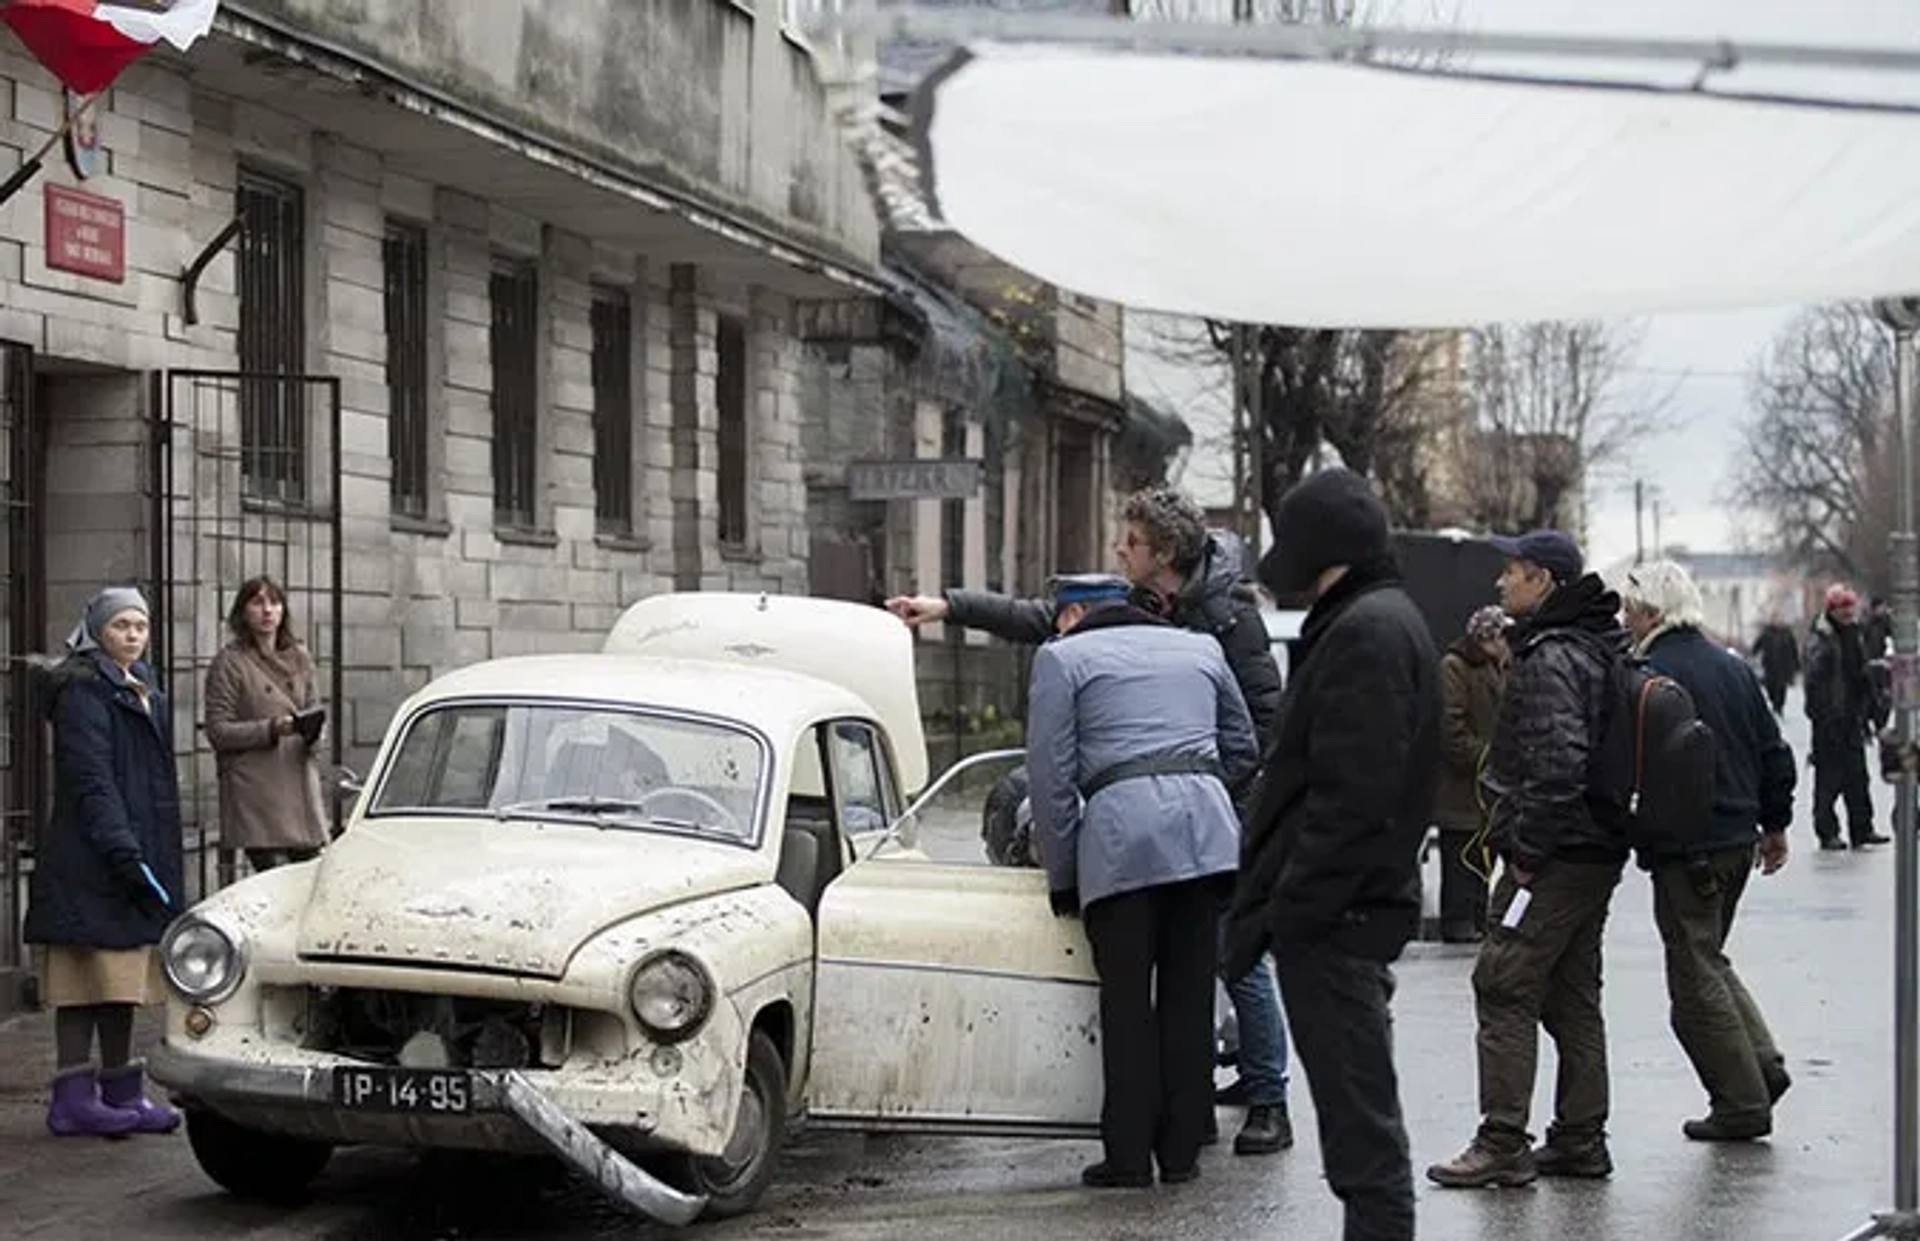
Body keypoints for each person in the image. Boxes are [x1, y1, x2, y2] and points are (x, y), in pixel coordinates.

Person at [888, 485, 1295, 1155]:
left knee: (1237, 954)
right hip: (1174, 809)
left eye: (1129, 542)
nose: (1117, 550)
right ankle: (1193, 1111)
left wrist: (1199, 788)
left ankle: (1268, 1096)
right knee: (1192, 970)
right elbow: (1047, 616)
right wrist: (949, 605)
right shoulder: (1138, 604)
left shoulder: (1225, 617)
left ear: (1161, 553)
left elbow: (1259, 724)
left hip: (1222, 809)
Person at [1227, 468, 1440, 1241]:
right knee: (1362, 1140)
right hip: (1342, 917)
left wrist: (1296, 910)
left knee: (1365, 1149)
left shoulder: (1368, 631)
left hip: (1338, 925)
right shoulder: (1373, 621)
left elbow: (1352, 797)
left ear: (1326, 549)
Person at [1026, 572, 1260, 1189]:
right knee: (1189, 998)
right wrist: (1201, 790)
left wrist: (1063, 875)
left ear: (1074, 614)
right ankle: (1182, 1151)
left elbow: (1050, 781)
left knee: (1127, 1005)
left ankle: (1128, 1155)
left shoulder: (1061, 659)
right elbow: (1243, 748)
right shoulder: (1202, 649)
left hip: (1119, 843)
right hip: (1206, 841)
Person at [1428, 529, 1630, 1189]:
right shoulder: (1599, 644)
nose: (1500, 582)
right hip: (1594, 848)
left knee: (1504, 980)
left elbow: (1557, 761)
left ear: (1543, 579)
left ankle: (1503, 1141)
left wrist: (1527, 855)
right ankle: (1579, 1136)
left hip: (1554, 855)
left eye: (1512, 571)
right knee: (1573, 994)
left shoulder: (1550, 656)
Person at [1620, 560, 1796, 1141]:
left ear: (1651, 613)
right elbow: (1774, 750)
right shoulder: (1732, 667)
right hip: (1736, 839)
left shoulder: (1650, 673)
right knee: (1709, 959)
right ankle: (1761, 1066)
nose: (1624, 617)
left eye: (1629, 608)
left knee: (1693, 982)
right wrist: (1775, 823)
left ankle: (1741, 1102)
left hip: (1687, 847)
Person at [22, 586, 184, 1137]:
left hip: (135, 855)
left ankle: (123, 1091)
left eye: (140, 627)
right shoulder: (83, 691)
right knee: (84, 981)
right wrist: (123, 850)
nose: (133, 636)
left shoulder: (144, 687)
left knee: (124, 980)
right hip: (94, 860)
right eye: (122, 627)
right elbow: (92, 781)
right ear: (97, 631)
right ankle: (71, 1098)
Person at [203, 576, 332, 874]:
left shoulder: (300, 658)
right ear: (242, 612)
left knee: (310, 884)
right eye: (257, 602)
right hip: (259, 796)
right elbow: (218, 731)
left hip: (300, 791)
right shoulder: (229, 664)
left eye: (274, 602)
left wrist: (314, 733)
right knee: (276, 886)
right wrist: (273, 728)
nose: (267, 611)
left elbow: (314, 708)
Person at [1434, 604, 1509, 944]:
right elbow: (1451, 729)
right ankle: (1458, 920)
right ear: (1487, 637)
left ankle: (1478, 916)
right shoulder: (1455, 667)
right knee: (1460, 853)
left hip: (1489, 787)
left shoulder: (1501, 667)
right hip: (1462, 787)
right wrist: (1489, 756)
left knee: (1483, 855)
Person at [1804, 583, 1890, 851]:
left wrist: (1873, 712)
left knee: (1857, 778)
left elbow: (1860, 675)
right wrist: (1822, 715)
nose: (1849, 612)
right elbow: (1815, 682)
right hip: (1830, 721)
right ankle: (1827, 832)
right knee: (1828, 781)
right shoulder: (1821, 638)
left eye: (1850, 606)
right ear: (1832, 609)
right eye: (1843, 607)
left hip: (1853, 719)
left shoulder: (1855, 635)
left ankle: (1862, 829)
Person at [1749, 619, 1801, 716]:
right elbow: (1757, 645)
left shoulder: (1787, 634)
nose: (1777, 621)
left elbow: (1793, 650)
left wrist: (1797, 665)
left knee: (1781, 687)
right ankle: (1774, 702)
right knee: (1771, 686)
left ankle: (1779, 706)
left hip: (1784, 665)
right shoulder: (1766, 633)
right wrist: (1753, 653)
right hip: (1770, 665)